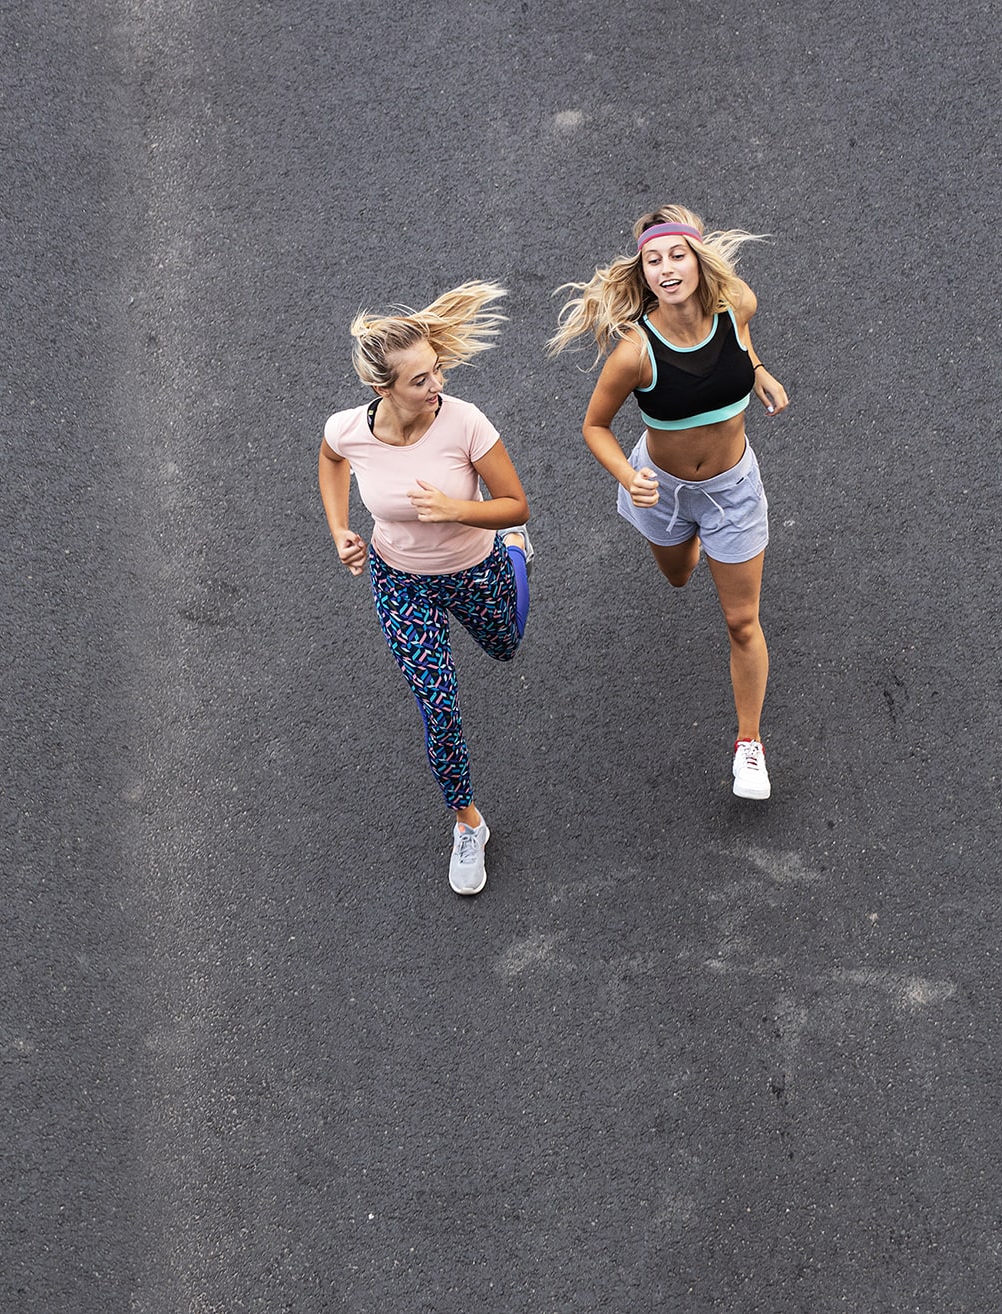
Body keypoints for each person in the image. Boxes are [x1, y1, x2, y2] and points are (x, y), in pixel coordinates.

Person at [550, 205, 789, 799]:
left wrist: (756, 370)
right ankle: (699, 544)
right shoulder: (634, 351)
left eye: (677, 255)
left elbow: (743, 339)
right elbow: (595, 427)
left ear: (698, 259)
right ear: (644, 273)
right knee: (680, 575)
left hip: (732, 487)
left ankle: (749, 745)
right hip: (661, 488)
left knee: (741, 620)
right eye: (653, 261)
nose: (666, 269)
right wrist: (627, 479)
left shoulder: (739, 307)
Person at [318, 281, 533, 895]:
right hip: (400, 581)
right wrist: (341, 532)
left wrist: (456, 510)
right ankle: (467, 822)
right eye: (421, 380)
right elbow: (331, 461)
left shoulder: (465, 423)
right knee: (436, 704)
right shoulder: (349, 430)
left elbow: (517, 504)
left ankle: (518, 563)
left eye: (437, 371)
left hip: (477, 565)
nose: (437, 385)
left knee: (504, 646)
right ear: (382, 389)